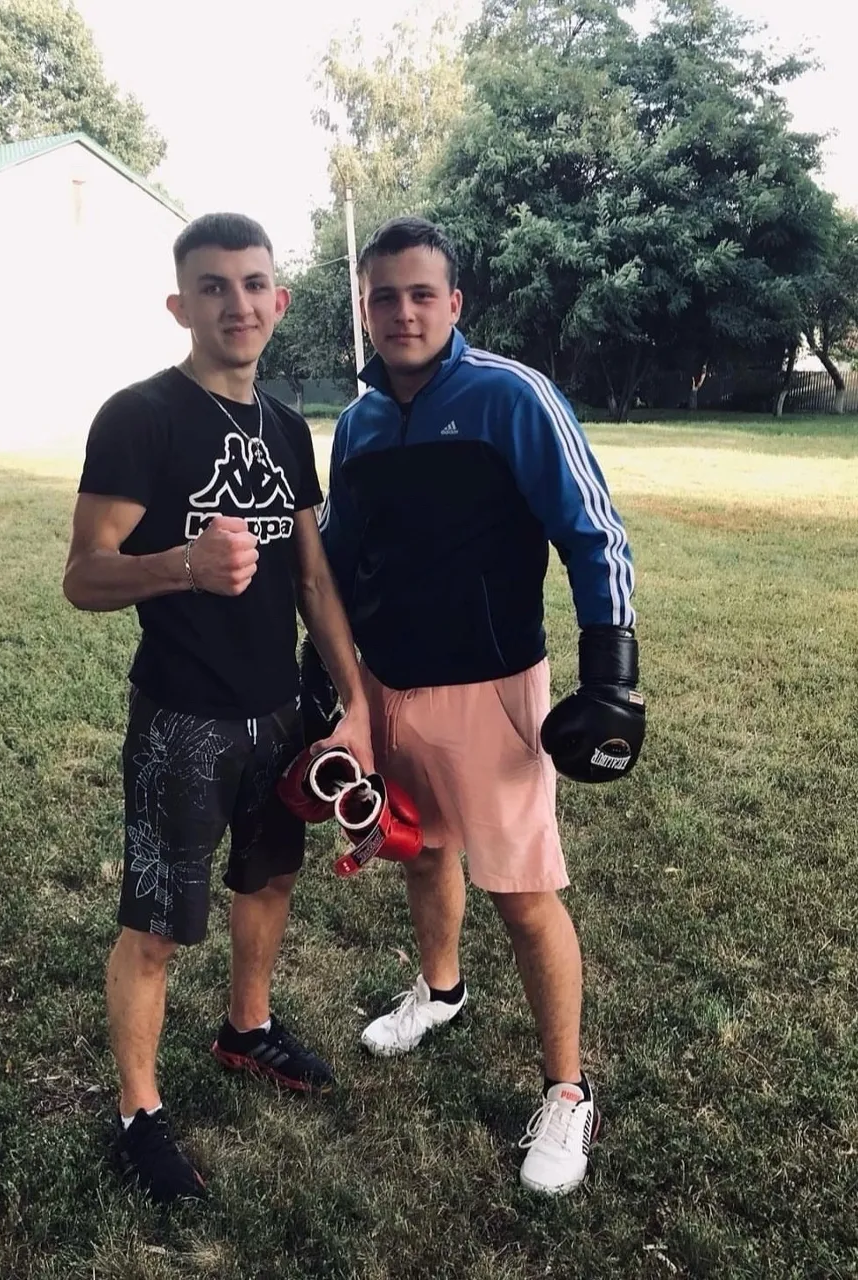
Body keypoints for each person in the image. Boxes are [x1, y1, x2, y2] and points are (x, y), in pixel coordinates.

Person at [316, 217, 644, 1196]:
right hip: (387, 683)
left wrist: (612, 675)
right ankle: (441, 990)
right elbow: (337, 557)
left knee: (524, 891)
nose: (403, 311)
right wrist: (320, 671)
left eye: (422, 293)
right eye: (384, 296)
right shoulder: (361, 421)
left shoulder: (511, 395)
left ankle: (568, 1091)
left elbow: (593, 533)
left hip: (493, 687)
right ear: (364, 309)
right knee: (420, 846)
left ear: (454, 303)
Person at [63, 212, 373, 1204]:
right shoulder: (139, 416)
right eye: (212, 285)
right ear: (179, 303)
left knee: (270, 880)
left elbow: (315, 581)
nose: (235, 303)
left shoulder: (285, 424)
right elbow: (81, 576)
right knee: (155, 925)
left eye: (253, 283)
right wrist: (182, 564)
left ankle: (246, 1026)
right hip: (183, 717)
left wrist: (356, 703)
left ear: (279, 300)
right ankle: (138, 1111)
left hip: (279, 710)